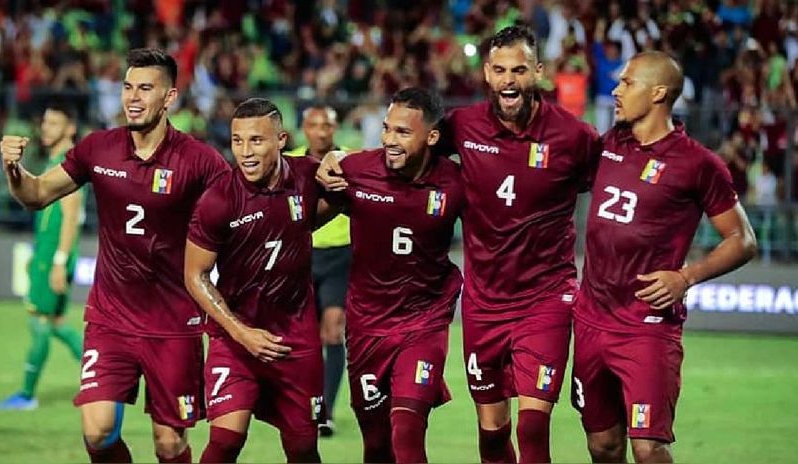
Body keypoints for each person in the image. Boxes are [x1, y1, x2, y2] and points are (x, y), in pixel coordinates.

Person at [319, 25, 601, 463]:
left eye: (520, 70)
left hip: (546, 297)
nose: (509, 80)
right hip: (484, 302)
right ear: (487, 73)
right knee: (492, 431)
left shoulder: (574, 137)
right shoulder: (463, 126)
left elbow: (615, 183)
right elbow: (406, 142)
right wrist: (340, 158)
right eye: (500, 70)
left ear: (539, 73)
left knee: (532, 425)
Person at [0, 48, 230, 463]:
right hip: (111, 318)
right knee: (99, 430)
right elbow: (36, 196)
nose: (133, 97)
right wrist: (15, 171)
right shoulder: (98, 149)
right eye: (127, 87)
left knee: (170, 444)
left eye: (146, 88)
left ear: (170, 97)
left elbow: (240, 216)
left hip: (174, 323)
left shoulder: (200, 161)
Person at [571, 51, 757, 463]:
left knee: (649, 448)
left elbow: (742, 240)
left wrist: (686, 277)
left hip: (646, 326)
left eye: (627, 83)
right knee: (602, 445)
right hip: (590, 319)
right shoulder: (609, 145)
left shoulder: (697, 164)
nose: (616, 91)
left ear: (657, 93)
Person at [185, 98, 334, 463]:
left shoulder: (308, 177)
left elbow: (340, 200)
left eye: (256, 141)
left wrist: (340, 160)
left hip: (295, 342)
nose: (245, 152)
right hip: (235, 341)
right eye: (238, 141)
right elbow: (194, 274)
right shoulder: (218, 200)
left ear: (281, 139)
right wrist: (241, 333)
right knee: (224, 442)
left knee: (302, 449)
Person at [328, 87, 465, 463]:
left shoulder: (456, 183)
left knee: (407, 432)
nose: (390, 140)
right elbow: (309, 212)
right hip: (367, 327)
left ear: (432, 137)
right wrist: (326, 161)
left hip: (424, 323)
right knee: (376, 445)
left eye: (403, 132)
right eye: (388, 129)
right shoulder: (356, 170)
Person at [0, 103, 84, 411]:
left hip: (53, 258)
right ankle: (105, 377)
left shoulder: (69, 163)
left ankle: (27, 394)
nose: (46, 128)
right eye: (45, 122)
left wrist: (58, 261)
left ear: (70, 128)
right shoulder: (56, 160)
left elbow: (72, 217)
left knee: (40, 322)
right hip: (47, 254)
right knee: (58, 323)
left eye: (55, 123)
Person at [288, 104, 351, 437]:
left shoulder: (350, 162)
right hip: (303, 256)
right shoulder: (292, 162)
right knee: (305, 337)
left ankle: (325, 409)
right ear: (304, 128)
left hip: (341, 255)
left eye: (326, 126)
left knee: (333, 330)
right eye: (314, 125)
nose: (321, 132)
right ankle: (307, 405)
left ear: (335, 128)